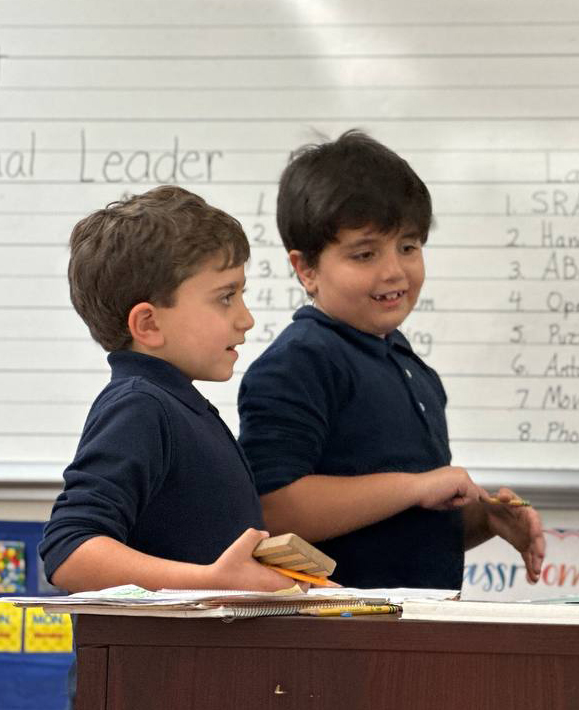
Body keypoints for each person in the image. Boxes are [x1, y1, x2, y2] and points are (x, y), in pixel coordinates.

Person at [238, 130, 544, 589]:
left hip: (412, 631)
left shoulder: (410, 366)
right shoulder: (299, 362)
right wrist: (418, 486)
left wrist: (486, 520)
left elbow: (401, 528)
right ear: (306, 270)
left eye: (409, 246)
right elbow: (274, 511)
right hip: (340, 636)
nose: (394, 271)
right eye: (364, 254)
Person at [40, 186, 291, 593]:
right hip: (149, 660)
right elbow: (70, 550)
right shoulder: (140, 405)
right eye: (226, 297)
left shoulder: (179, 405)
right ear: (149, 325)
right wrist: (211, 583)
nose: (246, 319)